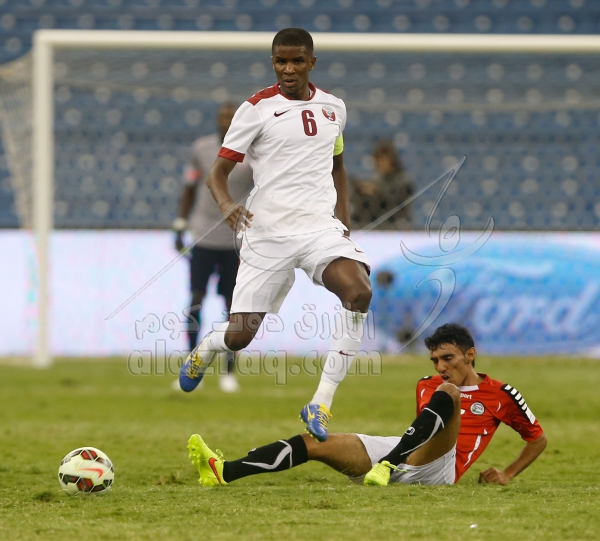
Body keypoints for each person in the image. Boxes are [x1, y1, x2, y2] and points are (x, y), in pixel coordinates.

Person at [179, 28, 373, 443]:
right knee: (240, 335)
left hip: (319, 228)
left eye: (297, 61)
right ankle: (209, 346)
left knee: (359, 293)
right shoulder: (255, 109)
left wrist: (344, 222)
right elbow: (216, 174)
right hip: (267, 233)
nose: (288, 69)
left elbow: (337, 166)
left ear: (311, 63)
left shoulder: (334, 108)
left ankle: (321, 403)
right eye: (281, 61)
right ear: (273, 63)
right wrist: (227, 205)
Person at [186, 323, 547, 487]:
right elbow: (424, 427)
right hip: (408, 452)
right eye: (435, 360)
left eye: (448, 358)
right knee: (316, 443)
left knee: (449, 394)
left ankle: (387, 465)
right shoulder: (427, 385)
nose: (440, 367)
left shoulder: (501, 394)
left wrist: (507, 473)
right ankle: (224, 471)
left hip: (441, 470)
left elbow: (538, 438)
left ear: (470, 355)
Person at [173, 103, 253, 393]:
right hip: (203, 236)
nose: (226, 121)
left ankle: (228, 371)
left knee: (233, 307)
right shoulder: (201, 149)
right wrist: (180, 223)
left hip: (235, 239)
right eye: (222, 116)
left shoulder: (253, 152)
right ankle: (191, 363)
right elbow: (190, 187)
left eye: (231, 117)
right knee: (196, 299)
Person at [352, 140, 414, 231]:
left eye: (382, 159)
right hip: (379, 225)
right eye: (377, 159)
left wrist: (376, 191)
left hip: (398, 223)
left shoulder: (404, 179)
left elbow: (396, 203)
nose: (379, 163)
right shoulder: (377, 178)